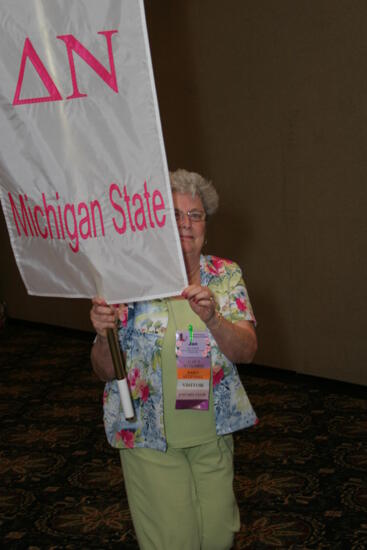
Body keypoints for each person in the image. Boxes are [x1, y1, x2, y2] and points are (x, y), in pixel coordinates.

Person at [90, 169, 258, 550]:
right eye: (174, 214)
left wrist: (214, 318)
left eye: (195, 215)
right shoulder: (127, 282)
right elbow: (103, 370)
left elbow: (246, 350)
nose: (185, 223)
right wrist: (103, 336)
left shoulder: (225, 275)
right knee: (173, 543)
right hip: (148, 438)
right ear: (157, 223)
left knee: (218, 538)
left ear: (205, 225)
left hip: (212, 432)